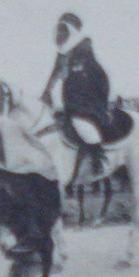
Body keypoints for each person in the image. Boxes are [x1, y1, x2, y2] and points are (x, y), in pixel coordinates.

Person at [41, 12, 114, 178]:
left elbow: (91, 80)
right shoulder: (63, 52)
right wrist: (46, 93)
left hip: (88, 101)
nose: (59, 34)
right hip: (71, 99)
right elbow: (55, 74)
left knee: (81, 124)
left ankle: (99, 158)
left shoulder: (83, 49)